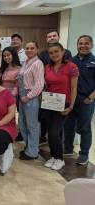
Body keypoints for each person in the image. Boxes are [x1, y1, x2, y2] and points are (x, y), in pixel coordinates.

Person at [42, 42, 79, 170]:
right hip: (49, 103)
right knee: (50, 132)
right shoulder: (47, 67)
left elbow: (74, 88)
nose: (54, 55)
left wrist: (71, 107)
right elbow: (46, 85)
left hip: (64, 104)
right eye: (51, 53)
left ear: (63, 52)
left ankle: (60, 159)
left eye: (56, 51)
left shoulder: (71, 67)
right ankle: (53, 156)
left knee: (54, 132)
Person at [64, 35, 95, 165]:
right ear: (77, 45)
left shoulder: (94, 61)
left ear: (91, 45)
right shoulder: (71, 61)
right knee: (69, 126)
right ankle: (68, 149)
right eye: (80, 43)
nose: (83, 46)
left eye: (86, 43)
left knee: (85, 128)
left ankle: (84, 154)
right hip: (72, 100)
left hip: (86, 100)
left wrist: (91, 97)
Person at [39, 29, 72, 145]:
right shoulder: (44, 59)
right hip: (49, 97)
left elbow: (72, 85)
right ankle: (48, 146)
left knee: (56, 130)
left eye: (54, 35)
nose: (54, 55)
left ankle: (60, 153)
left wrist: (71, 105)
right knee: (48, 124)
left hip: (63, 99)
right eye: (49, 36)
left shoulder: (69, 62)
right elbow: (42, 76)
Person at [18, 41, 44, 160]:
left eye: (32, 48)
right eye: (27, 48)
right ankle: (29, 146)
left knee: (32, 125)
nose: (29, 50)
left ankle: (33, 152)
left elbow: (39, 84)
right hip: (22, 96)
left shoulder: (38, 63)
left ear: (37, 49)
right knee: (22, 123)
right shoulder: (26, 63)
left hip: (30, 97)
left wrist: (28, 96)